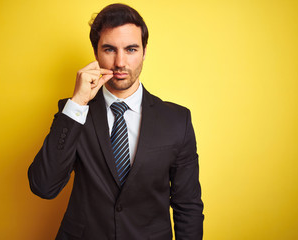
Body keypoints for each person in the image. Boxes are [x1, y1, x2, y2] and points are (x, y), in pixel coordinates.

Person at [28, 3, 204, 240]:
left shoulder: (177, 120)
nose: (120, 62)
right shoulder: (74, 112)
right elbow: (43, 186)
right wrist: (77, 103)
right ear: (96, 53)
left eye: (131, 49)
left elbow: (188, 206)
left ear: (144, 51)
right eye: (109, 49)